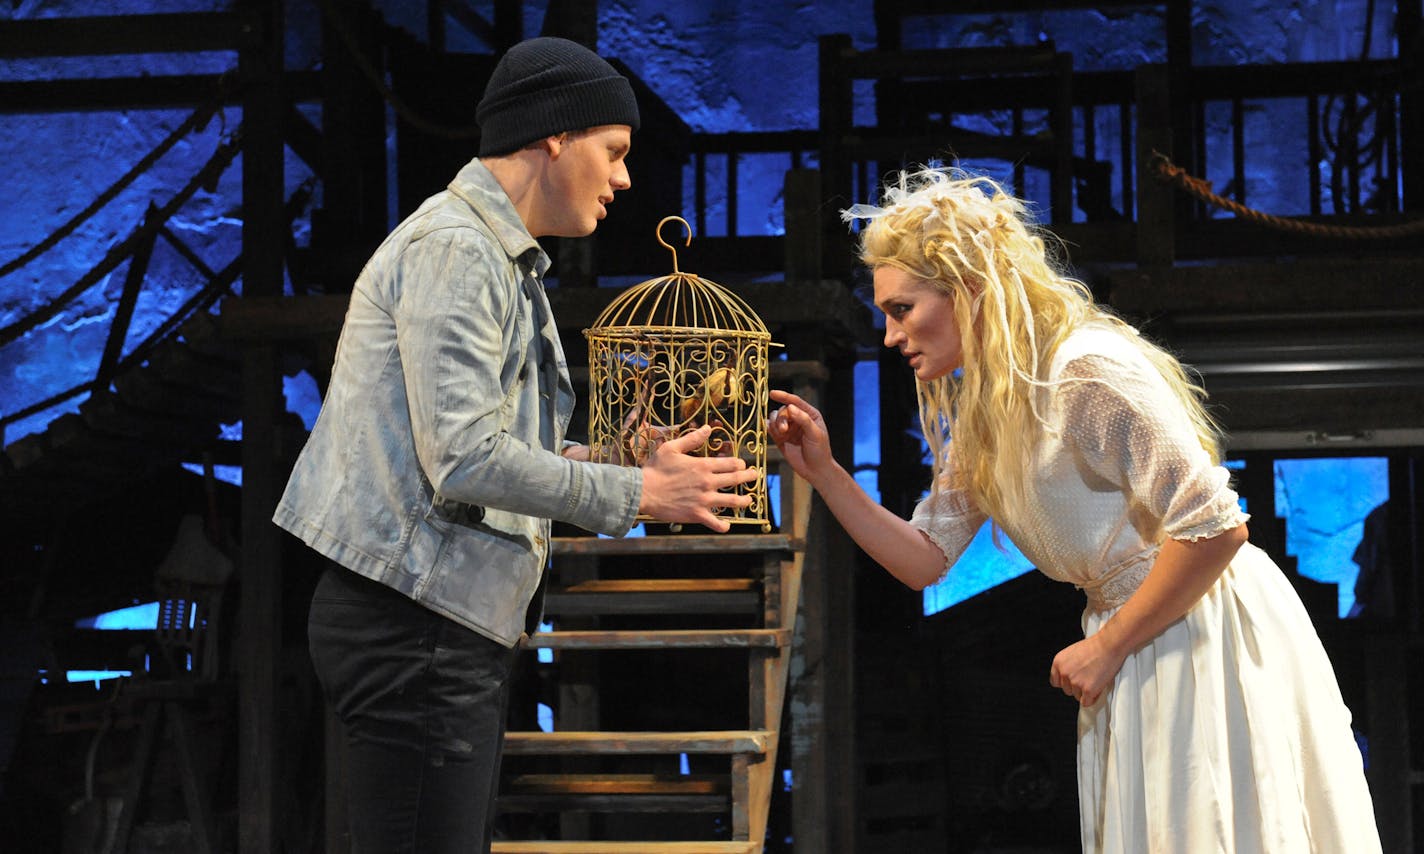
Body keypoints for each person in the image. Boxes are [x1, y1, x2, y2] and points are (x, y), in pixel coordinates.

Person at [769, 166, 1382, 853]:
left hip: (1194, 620)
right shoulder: (990, 410)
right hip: (1132, 633)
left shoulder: (1083, 370)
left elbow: (1215, 527)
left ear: (970, 289)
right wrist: (823, 473)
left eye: (902, 308)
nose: (889, 335)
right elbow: (924, 559)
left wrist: (1108, 645)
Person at [274, 37, 760, 854]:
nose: (624, 178)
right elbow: (463, 457)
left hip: (431, 618)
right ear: (554, 137)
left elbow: (491, 451)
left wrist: (615, 463)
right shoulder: (458, 251)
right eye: (613, 152)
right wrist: (640, 496)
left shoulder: (499, 260)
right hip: (412, 618)